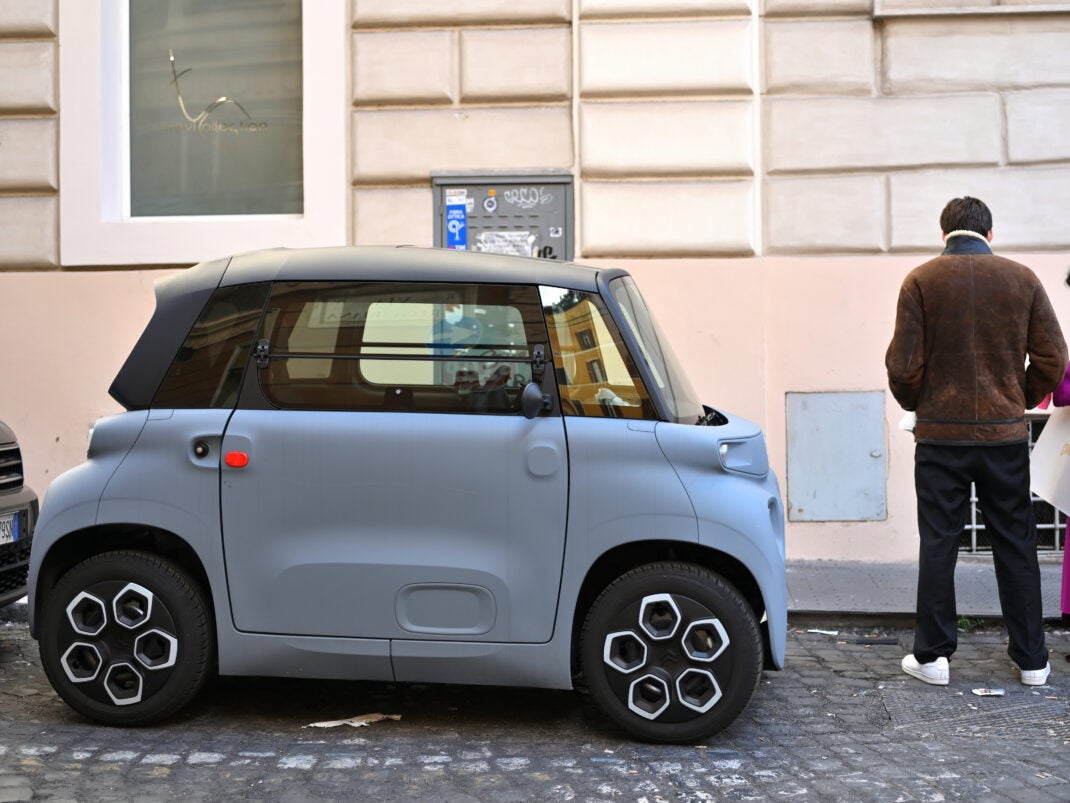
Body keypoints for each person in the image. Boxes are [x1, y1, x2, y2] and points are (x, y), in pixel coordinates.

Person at [886, 196, 1067, 687]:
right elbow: (1054, 359)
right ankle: (1032, 660)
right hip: (1004, 435)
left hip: (941, 437)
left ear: (943, 232)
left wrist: (919, 404)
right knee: (1016, 542)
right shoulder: (1022, 278)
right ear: (991, 234)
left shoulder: (921, 281)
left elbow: (902, 368)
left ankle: (934, 657)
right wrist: (1017, 395)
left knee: (939, 542)